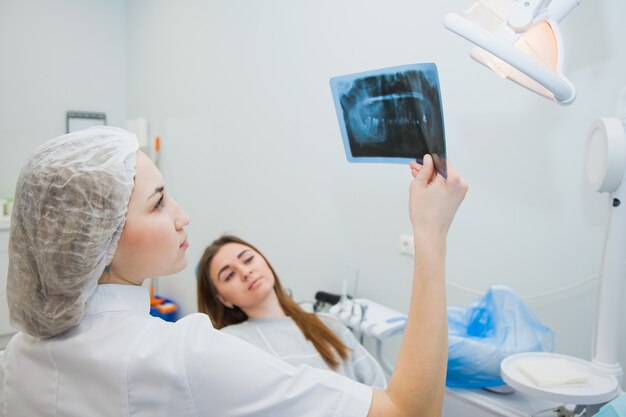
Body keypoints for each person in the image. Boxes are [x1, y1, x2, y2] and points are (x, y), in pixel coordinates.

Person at [0, 126, 468, 417]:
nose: (181, 216)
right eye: (159, 202)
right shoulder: (185, 355)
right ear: (96, 240)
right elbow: (412, 411)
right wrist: (431, 234)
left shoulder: (17, 358)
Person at [197, 235, 388, 388]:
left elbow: (377, 387)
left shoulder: (328, 324)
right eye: (229, 275)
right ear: (224, 299)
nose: (245, 272)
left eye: (248, 259)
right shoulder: (230, 343)